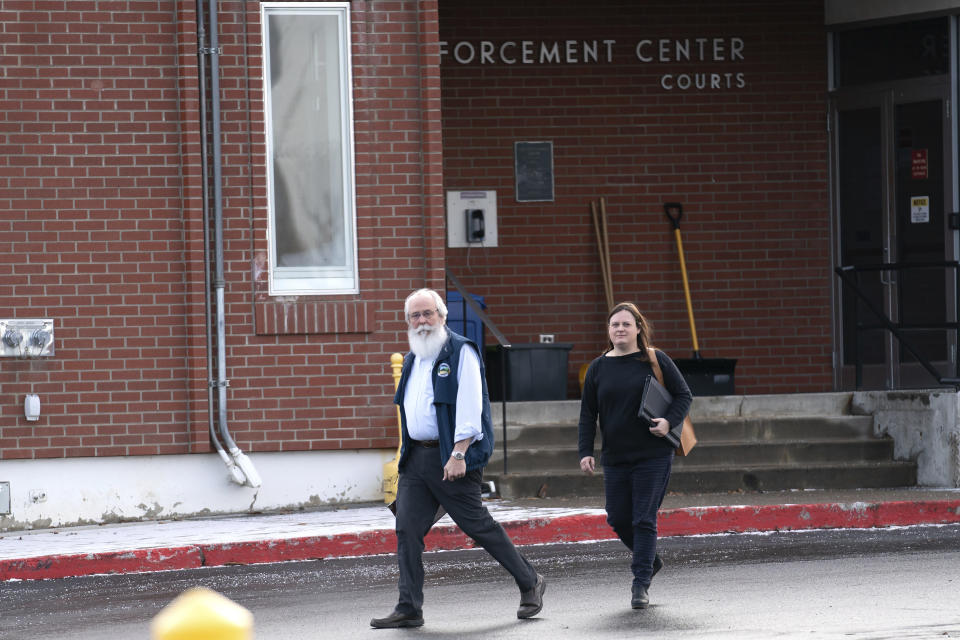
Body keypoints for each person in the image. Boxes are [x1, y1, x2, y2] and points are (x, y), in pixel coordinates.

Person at [371, 288, 545, 629]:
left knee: (477, 526)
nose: (421, 321)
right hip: (416, 460)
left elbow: (470, 406)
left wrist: (458, 453)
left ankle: (530, 582)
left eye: (428, 314)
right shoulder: (412, 358)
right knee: (406, 529)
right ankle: (409, 607)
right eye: (415, 316)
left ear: (442, 316)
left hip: (451, 458)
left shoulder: (461, 351)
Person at [577, 302, 692, 609]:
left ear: (638, 328)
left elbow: (684, 395)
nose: (620, 329)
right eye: (615, 325)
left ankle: (640, 582)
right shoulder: (598, 368)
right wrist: (585, 451)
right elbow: (588, 413)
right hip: (615, 456)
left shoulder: (654, 359)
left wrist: (669, 421)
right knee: (617, 517)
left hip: (653, 454)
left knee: (643, 519)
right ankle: (650, 558)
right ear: (609, 330)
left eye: (627, 324)